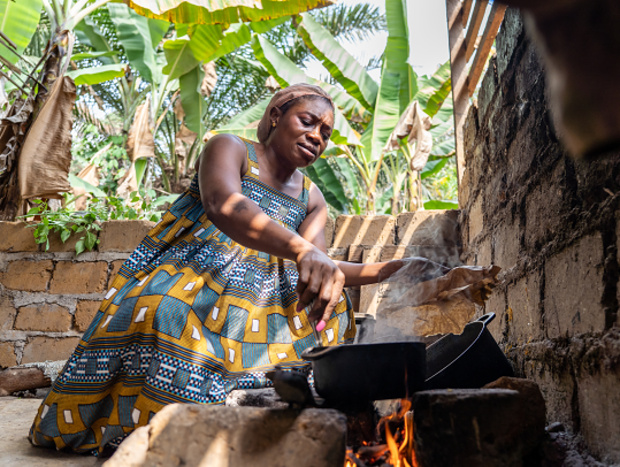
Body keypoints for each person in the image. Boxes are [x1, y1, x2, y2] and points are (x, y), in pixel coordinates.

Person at [28, 83, 407, 455]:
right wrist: (303, 250)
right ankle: (149, 436)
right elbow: (222, 203)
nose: (316, 137)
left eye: (325, 133)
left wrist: (391, 270)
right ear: (276, 115)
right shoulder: (232, 147)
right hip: (197, 274)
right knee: (167, 311)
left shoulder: (312, 196)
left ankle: (247, 432)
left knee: (329, 317)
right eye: (308, 121)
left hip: (265, 300)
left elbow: (319, 263)